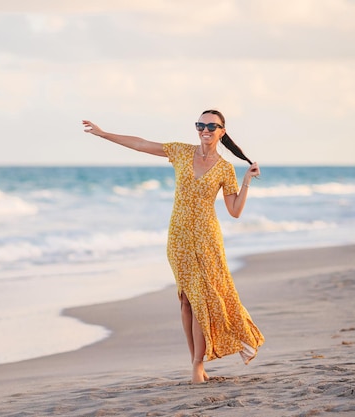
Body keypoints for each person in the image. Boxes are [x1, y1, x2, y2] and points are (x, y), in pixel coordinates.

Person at [82, 109, 264, 383]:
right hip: (178, 238)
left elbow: (235, 211)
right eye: (200, 125)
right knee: (186, 301)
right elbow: (142, 144)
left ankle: (196, 365)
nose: (205, 129)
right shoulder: (180, 152)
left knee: (203, 300)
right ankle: (196, 361)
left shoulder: (226, 169)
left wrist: (247, 180)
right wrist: (104, 133)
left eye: (211, 126)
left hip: (207, 240)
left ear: (222, 131)